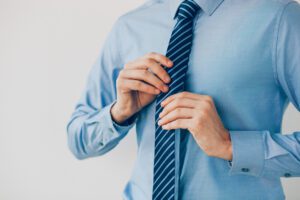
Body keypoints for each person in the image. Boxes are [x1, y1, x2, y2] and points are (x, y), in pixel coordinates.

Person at [66, 0, 300, 199]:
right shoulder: (130, 26)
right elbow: (78, 140)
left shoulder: (278, 18)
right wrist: (120, 112)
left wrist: (231, 145)